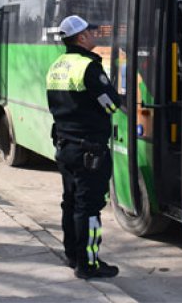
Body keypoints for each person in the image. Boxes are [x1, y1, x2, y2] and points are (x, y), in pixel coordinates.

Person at [46, 15, 122, 280]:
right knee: (88, 208)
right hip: (89, 150)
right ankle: (88, 264)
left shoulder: (56, 66)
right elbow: (111, 105)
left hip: (65, 146)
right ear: (81, 37)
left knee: (70, 203)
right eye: (90, 31)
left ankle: (72, 255)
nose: (93, 34)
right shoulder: (88, 67)